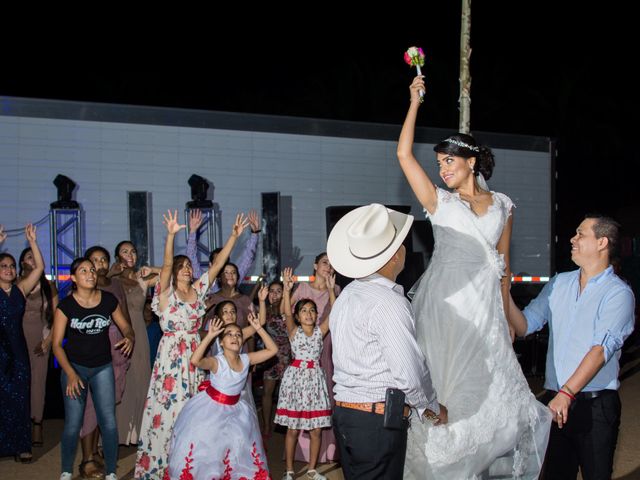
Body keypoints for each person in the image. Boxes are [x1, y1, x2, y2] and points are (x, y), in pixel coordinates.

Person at [397, 75, 551, 479]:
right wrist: (414, 102)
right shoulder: (439, 201)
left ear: (471, 162)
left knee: (492, 399)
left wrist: (506, 313)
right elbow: (403, 156)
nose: (443, 168)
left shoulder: (503, 204)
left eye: (449, 161)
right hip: (447, 307)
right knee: (445, 390)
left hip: (485, 311)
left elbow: (502, 265)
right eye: (439, 163)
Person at [508, 215, 635, 480]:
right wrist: (502, 291)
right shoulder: (559, 283)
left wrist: (567, 393)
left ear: (602, 242)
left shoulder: (618, 293)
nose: (572, 239)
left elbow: (600, 350)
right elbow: (525, 325)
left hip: (595, 407)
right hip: (555, 405)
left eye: (580, 234)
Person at [327, 204, 444, 480]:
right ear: (395, 255)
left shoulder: (346, 296)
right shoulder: (389, 302)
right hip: (375, 421)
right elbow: (410, 374)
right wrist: (432, 409)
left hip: (346, 415)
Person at [134, 210, 248, 480]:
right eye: (181, 265)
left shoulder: (198, 292)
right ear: (173, 272)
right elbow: (164, 264)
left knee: (196, 413)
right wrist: (172, 236)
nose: (186, 268)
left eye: (188, 265)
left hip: (194, 357)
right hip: (171, 360)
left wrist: (233, 237)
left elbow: (217, 265)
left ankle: (191, 466)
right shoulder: (165, 294)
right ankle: (162, 467)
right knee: (169, 410)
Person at [52, 257, 135, 480]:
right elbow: (56, 344)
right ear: (73, 278)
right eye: (83, 271)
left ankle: (110, 472)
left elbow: (127, 326)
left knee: (107, 420)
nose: (90, 273)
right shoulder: (66, 305)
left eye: (91, 270)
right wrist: (69, 374)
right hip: (75, 368)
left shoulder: (108, 300)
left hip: (102, 367)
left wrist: (129, 337)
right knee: (73, 423)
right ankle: (66, 471)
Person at [166, 313, 277, 479]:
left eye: (239, 335)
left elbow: (273, 350)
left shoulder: (246, 359)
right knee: (210, 449)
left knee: (237, 449)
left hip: (237, 412)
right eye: (229, 334)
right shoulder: (217, 361)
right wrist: (210, 335)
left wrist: (258, 328)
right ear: (222, 342)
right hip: (211, 410)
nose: (235, 337)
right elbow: (196, 360)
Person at [274, 267, 335, 480]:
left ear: (317, 315)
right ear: (298, 317)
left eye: (312, 310)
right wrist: (286, 288)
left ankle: (311, 469)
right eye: (304, 311)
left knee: (316, 430)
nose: (308, 314)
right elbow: (286, 312)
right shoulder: (293, 330)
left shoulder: (320, 331)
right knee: (292, 429)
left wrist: (331, 290)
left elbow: (334, 311)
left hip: (315, 382)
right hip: (295, 382)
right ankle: (289, 471)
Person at [78, 245, 132, 478]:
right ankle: (86, 459)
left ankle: (95, 450)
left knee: (106, 405)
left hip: (118, 348)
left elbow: (126, 318)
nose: (99, 264)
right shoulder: (86, 285)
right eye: (95, 261)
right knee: (91, 405)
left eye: (103, 259)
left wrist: (131, 338)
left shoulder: (117, 285)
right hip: (94, 350)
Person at [290, 253, 341, 463]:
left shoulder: (336, 289)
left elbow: (338, 315)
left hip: (328, 343)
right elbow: (288, 315)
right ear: (315, 265)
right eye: (324, 262)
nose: (328, 267)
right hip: (305, 346)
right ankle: (303, 449)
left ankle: (328, 449)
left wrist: (331, 290)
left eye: (331, 263)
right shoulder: (302, 289)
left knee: (327, 388)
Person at [0, 224, 44, 464]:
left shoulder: (20, 289)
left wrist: (33, 242)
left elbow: (39, 268)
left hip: (18, 352)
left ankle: (21, 446)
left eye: (11, 266)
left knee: (19, 398)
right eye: (3, 266)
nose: (8, 269)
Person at [109, 240, 154, 446]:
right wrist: (111, 273)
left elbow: (169, 274)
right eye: (124, 252)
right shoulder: (109, 280)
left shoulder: (141, 279)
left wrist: (151, 268)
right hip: (115, 333)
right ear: (117, 257)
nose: (130, 255)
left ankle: (136, 433)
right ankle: (115, 433)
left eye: (133, 251)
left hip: (139, 335)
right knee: (118, 382)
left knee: (139, 380)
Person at [18, 246, 59, 449]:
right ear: (21, 262)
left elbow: (56, 317)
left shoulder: (48, 286)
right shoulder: (14, 285)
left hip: (40, 342)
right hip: (17, 340)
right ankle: (20, 424)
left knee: (38, 383)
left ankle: (37, 423)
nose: (32, 260)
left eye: (36, 257)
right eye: (28, 257)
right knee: (19, 383)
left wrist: (48, 340)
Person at [259, 280, 292, 439]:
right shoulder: (264, 310)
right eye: (272, 291)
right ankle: (266, 425)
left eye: (278, 291)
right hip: (270, 356)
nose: (275, 294)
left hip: (288, 355)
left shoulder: (288, 309)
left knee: (286, 393)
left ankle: (285, 424)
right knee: (267, 392)